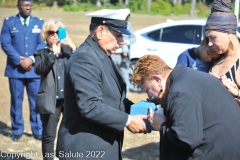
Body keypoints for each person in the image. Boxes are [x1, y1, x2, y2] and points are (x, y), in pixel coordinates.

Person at [56, 9, 147, 160]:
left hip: (100, 146)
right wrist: (128, 121)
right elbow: (90, 106)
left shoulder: (100, 53)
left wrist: (141, 110)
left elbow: (112, 99)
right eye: (118, 35)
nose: (122, 41)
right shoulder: (85, 58)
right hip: (85, 150)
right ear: (100, 32)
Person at [132, 54, 240, 160]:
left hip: (217, 153)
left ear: (157, 80)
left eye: (148, 90)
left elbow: (187, 139)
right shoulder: (188, 76)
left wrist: (161, 125)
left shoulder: (179, 92)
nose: (149, 96)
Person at [0, 0, 45, 141]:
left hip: (34, 70)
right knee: (16, 101)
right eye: (25, 5)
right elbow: (5, 43)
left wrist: (31, 59)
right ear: (18, 6)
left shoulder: (39, 22)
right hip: (15, 70)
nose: (28, 8)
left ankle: (38, 130)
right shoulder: (9, 22)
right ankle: (17, 130)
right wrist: (19, 60)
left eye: (30, 5)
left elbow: (42, 43)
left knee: (36, 102)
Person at [34, 19, 76, 160]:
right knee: (49, 135)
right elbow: (40, 70)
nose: (54, 35)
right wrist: (52, 54)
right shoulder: (40, 52)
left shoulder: (68, 50)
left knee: (71, 132)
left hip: (68, 100)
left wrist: (73, 47)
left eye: (58, 32)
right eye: (51, 32)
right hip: (51, 101)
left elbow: (81, 65)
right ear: (45, 35)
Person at [205, 0, 240, 105]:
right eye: (208, 39)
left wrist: (236, 93)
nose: (210, 44)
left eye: (213, 38)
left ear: (228, 33)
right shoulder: (217, 56)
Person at [111, 22, 136, 98]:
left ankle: (125, 98)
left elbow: (133, 38)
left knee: (125, 79)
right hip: (112, 55)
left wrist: (125, 42)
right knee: (112, 79)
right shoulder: (111, 23)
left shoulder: (128, 25)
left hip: (124, 57)